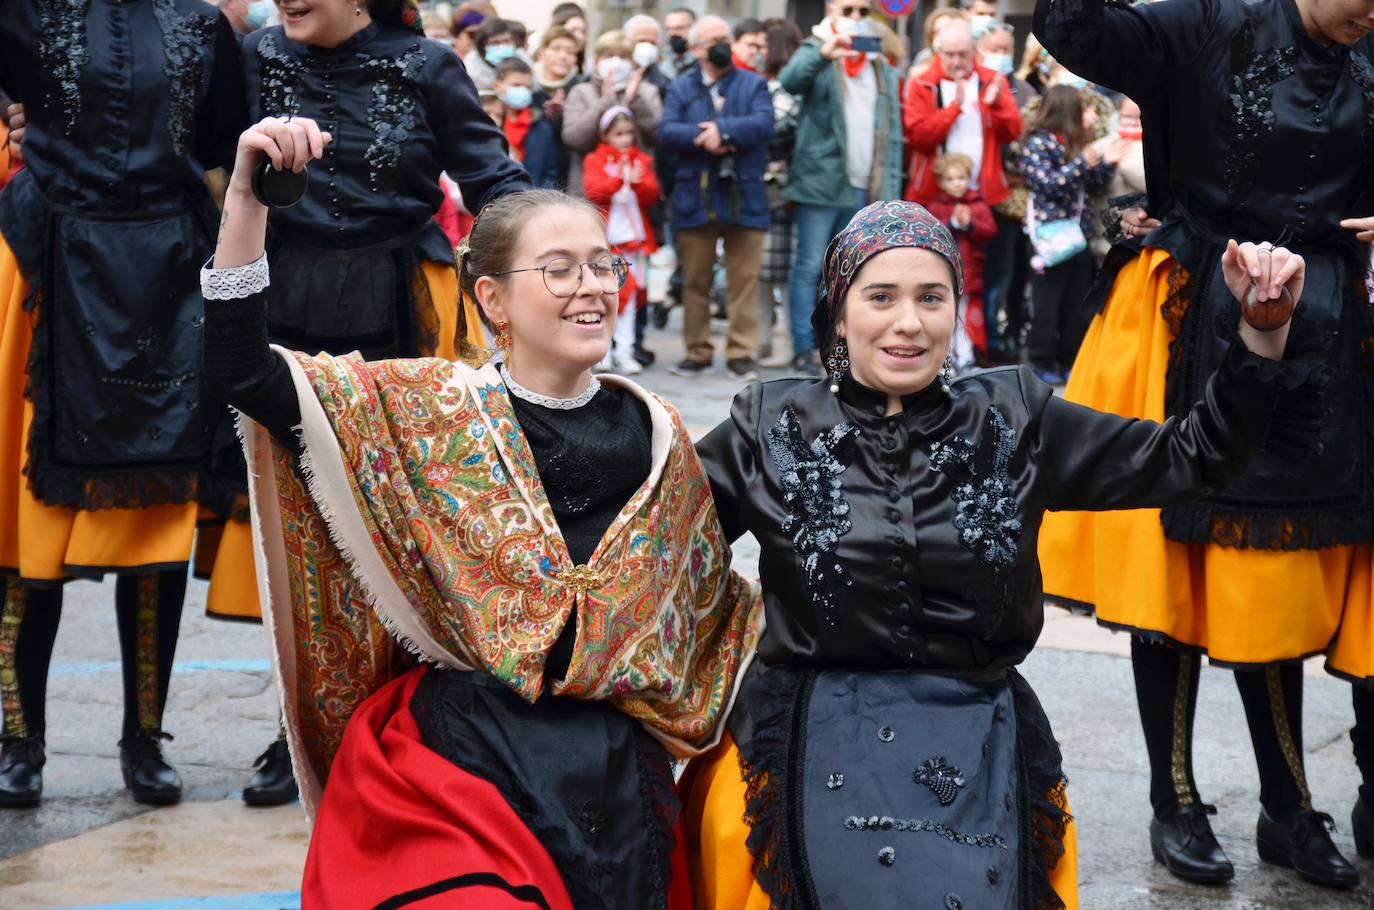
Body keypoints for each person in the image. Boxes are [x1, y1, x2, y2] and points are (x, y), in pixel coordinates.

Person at [680, 198, 1309, 910]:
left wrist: (1264, 332)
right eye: (880, 297)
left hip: (977, 733)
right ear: (838, 309)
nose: (908, 323)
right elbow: (651, 540)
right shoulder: (768, 424)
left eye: (931, 297)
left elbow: (1195, 457)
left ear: (958, 308)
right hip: (803, 727)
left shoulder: (1014, 416)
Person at [202, 112, 764, 904]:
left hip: (610, 771)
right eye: (561, 269)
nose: (593, 287)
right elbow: (242, 373)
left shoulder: (659, 433)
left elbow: (708, 612)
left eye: (604, 266)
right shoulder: (428, 406)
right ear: (493, 297)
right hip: (455, 758)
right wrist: (248, 202)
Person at [1035, 0, 1374, 889]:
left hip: (1328, 329)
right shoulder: (1202, 22)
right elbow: (1076, 30)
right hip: (1185, 315)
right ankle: (1173, 800)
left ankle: (1288, 807)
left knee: (1268, 576)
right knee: (1170, 572)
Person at [196, 0, 531, 807]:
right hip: (280, 304)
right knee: (291, 514)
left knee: (386, 520)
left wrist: (553, 256)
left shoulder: (427, 65)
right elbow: (188, 145)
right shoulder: (251, 56)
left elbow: (495, 182)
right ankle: (298, 724)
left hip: (397, 310)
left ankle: (393, 725)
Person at [0, 0, 247, 808]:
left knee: (157, 524)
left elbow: (224, 154)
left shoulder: (203, 25)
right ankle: (18, 738)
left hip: (169, 279)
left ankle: (144, 739)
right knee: (22, 529)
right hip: (45, 270)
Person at [779, 0, 904, 375]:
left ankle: (838, 345)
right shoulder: (815, 48)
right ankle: (804, 345)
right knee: (808, 267)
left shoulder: (878, 63)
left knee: (849, 273)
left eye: (863, 12)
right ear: (831, 9)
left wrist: (889, 187)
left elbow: (893, 133)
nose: (855, 19)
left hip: (864, 185)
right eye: (847, 10)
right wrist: (823, 52)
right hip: (821, 183)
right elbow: (790, 80)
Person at [661, 15, 774, 382]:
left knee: (745, 280)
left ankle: (741, 353)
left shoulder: (753, 84)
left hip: (746, 195)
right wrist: (702, 135)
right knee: (695, 281)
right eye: (713, 39)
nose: (722, 44)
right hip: (696, 195)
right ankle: (697, 352)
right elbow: (667, 131)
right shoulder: (681, 86)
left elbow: (763, 123)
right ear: (695, 48)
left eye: (726, 36)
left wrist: (723, 130)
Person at [1020, 85, 1117, 383]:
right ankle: (1042, 359)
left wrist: (1105, 163)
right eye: (1082, 108)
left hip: (1079, 236)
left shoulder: (1076, 143)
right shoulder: (1038, 144)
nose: (1088, 114)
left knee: (1075, 303)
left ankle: (1069, 357)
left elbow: (1095, 185)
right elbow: (1047, 184)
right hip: (1049, 237)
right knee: (1048, 302)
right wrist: (1081, 163)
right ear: (1067, 111)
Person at [904, 17, 1022, 212]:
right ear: (938, 52)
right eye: (950, 54)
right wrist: (953, 110)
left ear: (974, 50)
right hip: (935, 196)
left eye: (963, 54)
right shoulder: (922, 83)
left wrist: (996, 105)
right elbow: (918, 138)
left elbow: (1012, 132)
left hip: (982, 196)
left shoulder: (993, 80)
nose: (957, 62)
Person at [582, 107, 660, 375]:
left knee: (632, 297)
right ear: (604, 135)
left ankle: (625, 351)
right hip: (606, 241)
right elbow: (593, 191)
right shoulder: (595, 159)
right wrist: (619, 179)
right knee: (603, 296)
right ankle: (601, 352)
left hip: (635, 241)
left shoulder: (642, 159)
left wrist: (637, 183)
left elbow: (652, 195)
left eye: (628, 133)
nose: (625, 139)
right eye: (618, 134)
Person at [562, 30, 661, 195]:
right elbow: (574, 140)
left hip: (638, 195)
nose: (615, 62)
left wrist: (635, 100)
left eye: (623, 57)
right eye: (608, 55)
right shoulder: (581, 92)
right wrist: (603, 104)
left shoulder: (647, 92)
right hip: (591, 194)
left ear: (633, 62)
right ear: (596, 60)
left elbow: (658, 136)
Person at [757, 18, 804, 366]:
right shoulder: (766, 86)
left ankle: (784, 342)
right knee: (760, 269)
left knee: (783, 271)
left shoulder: (788, 89)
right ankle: (762, 340)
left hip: (782, 187)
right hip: (765, 189)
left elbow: (774, 130)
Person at [924, 152, 998, 366]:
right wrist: (953, 223)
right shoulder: (937, 207)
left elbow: (990, 230)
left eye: (961, 178)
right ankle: (945, 359)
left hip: (970, 272)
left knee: (965, 318)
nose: (957, 184)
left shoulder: (977, 204)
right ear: (941, 182)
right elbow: (931, 234)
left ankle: (965, 358)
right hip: (942, 274)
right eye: (950, 179)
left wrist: (969, 225)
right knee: (943, 315)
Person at [493, 57, 536, 163]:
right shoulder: (486, 120)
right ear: (497, 86)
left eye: (527, 87)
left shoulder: (539, 124)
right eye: (516, 85)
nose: (523, 90)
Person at [465, 16, 524, 92]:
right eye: (495, 42)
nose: (502, 46)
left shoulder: (521, 59)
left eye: (507, 41)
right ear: (482, 45)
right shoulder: (471, 69)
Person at [661, 7, 699, 81]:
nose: (673, 33)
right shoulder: (663, 66)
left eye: (679, 28)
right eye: (668, 29)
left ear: (694, 28)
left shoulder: (703, 63)